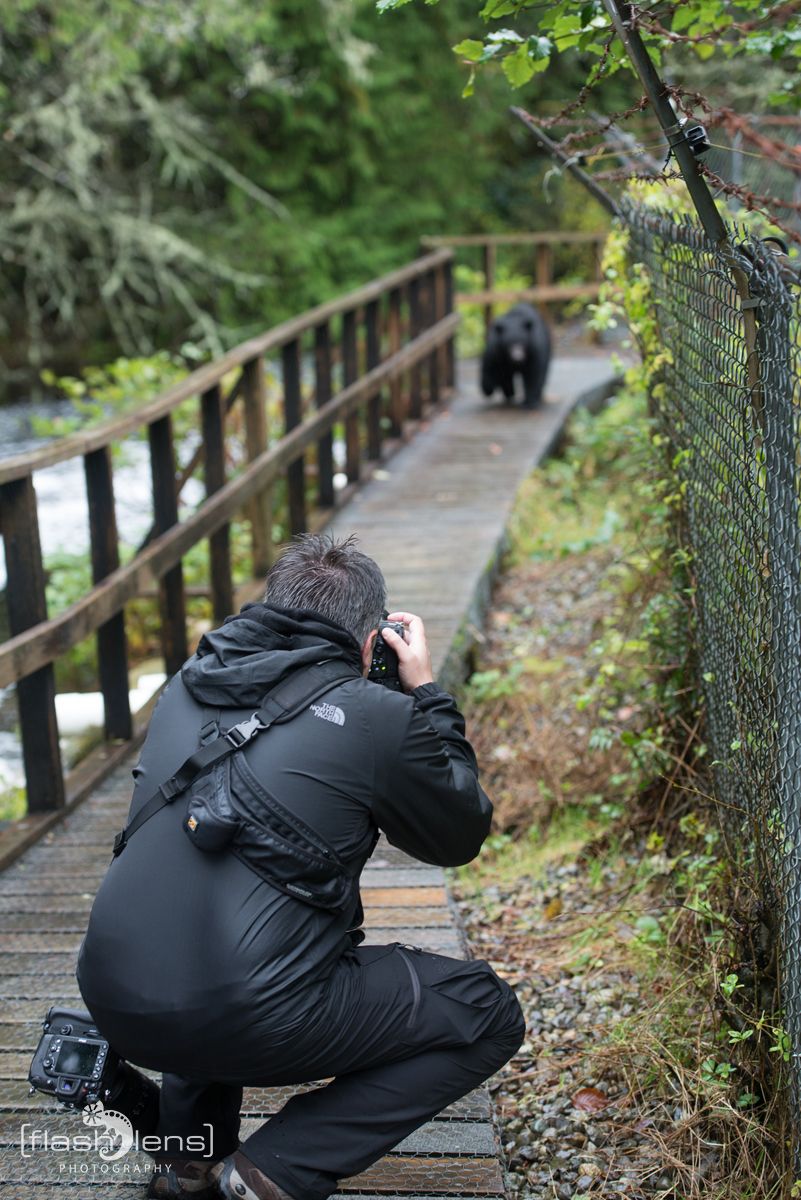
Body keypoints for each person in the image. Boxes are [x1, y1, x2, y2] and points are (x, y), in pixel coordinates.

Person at [76, 532, 525, 1200]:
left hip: (114, 996)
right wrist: (426, 692)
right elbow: (457, 833)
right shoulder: (377, 717)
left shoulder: (187, 684)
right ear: (372, 641)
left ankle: (187, 1161)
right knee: (484, 1012)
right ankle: (273, 1171)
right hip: (247, 1010)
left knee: (213, 926)